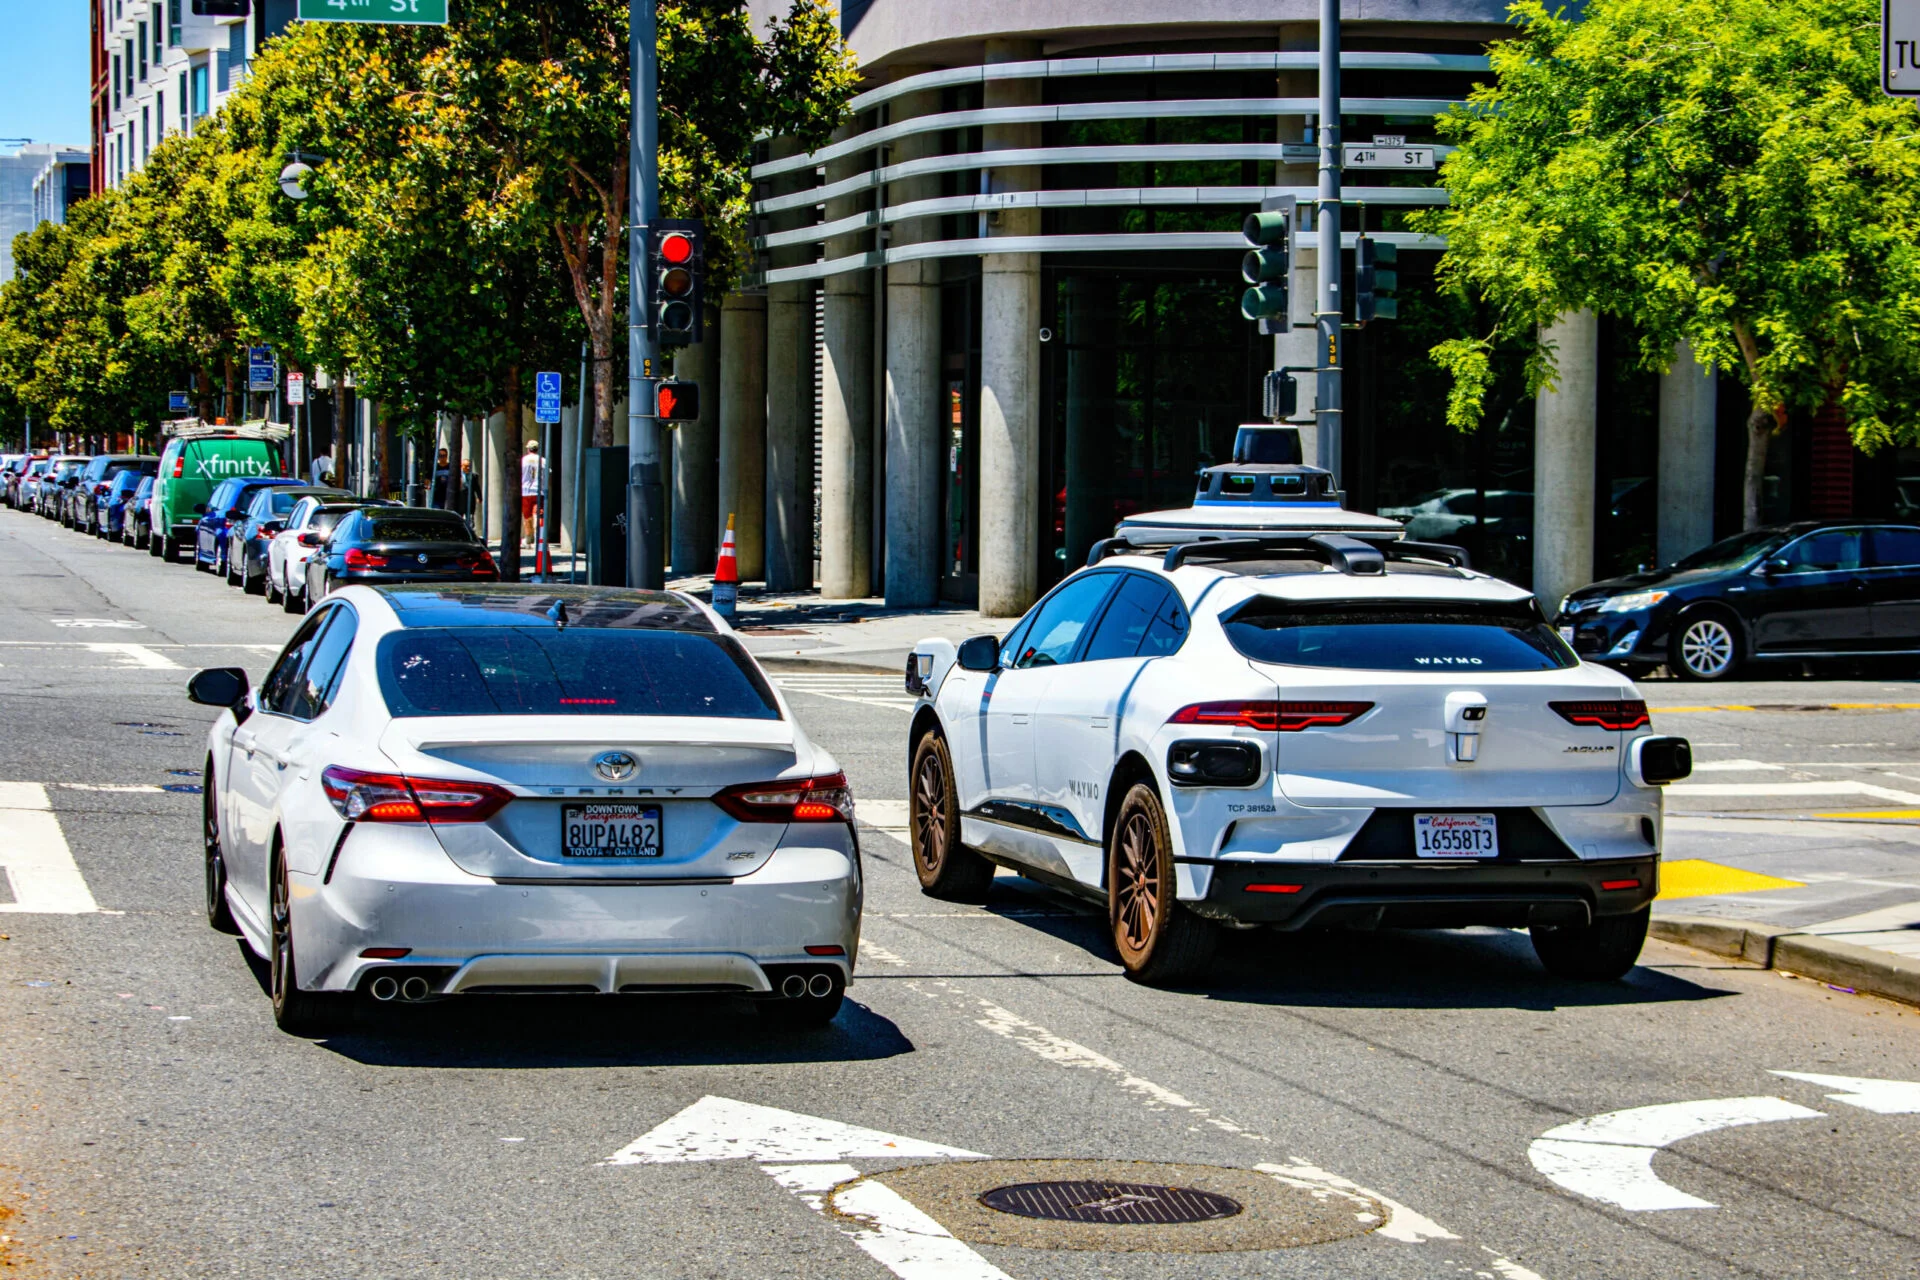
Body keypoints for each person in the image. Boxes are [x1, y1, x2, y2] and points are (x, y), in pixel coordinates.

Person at [520, 439, 547, 547]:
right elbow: (547, 475)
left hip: (525, 491)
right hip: (539, 491)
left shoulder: (523, 460)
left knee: (527, 516)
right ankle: (538, 538)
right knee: (538, 515)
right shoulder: (543, 460)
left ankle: (528, 538)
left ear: (528, 449)